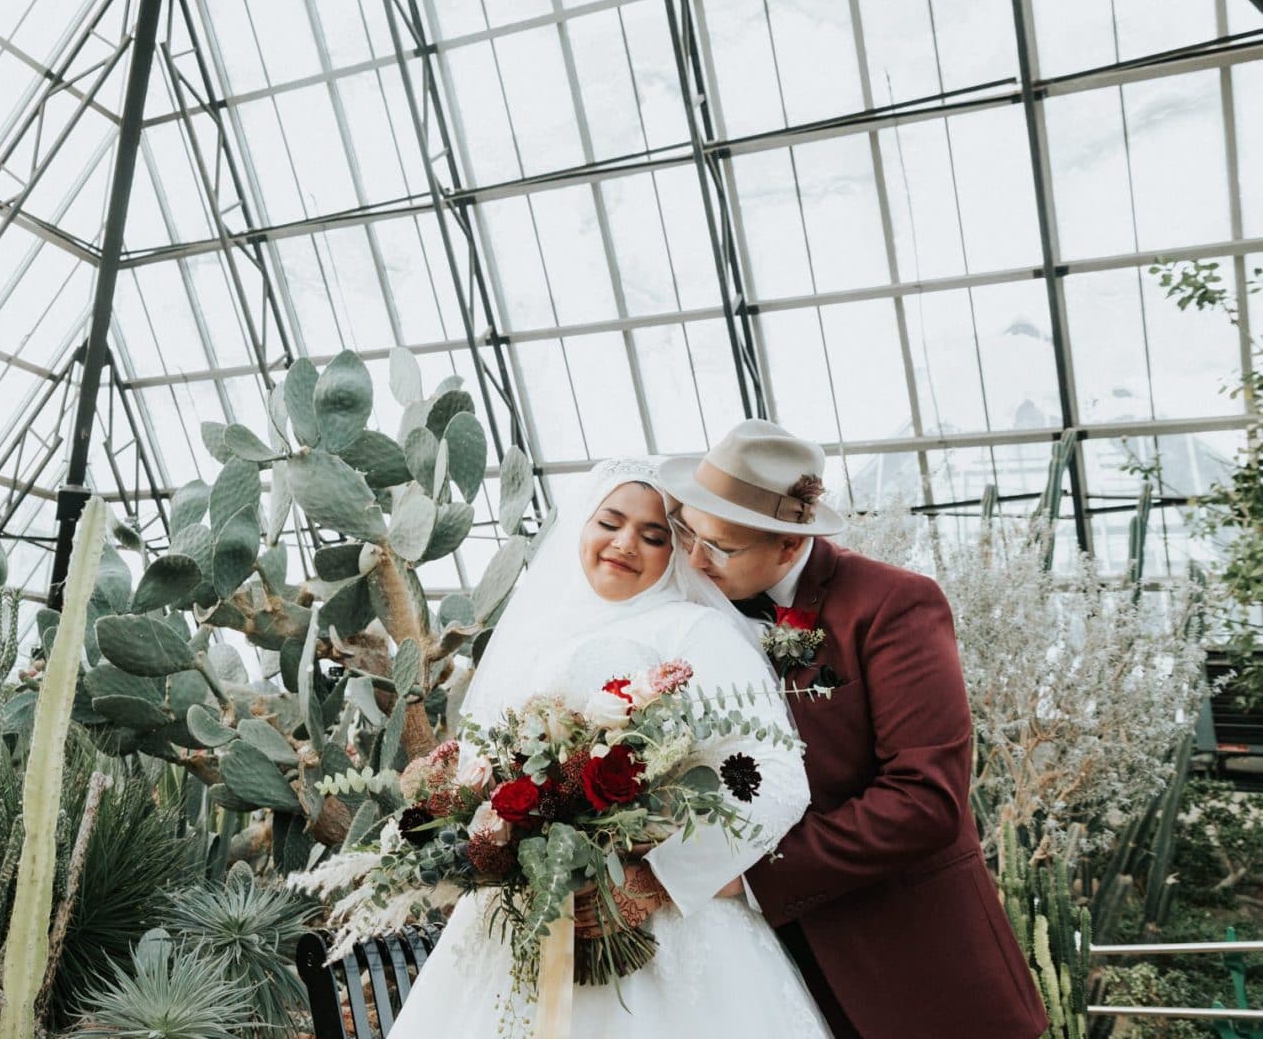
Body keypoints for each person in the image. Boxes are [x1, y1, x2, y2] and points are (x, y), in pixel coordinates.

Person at [392, 459, 831, 1039]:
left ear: (680, 551)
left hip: (662, 937)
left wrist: (656, 880)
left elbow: (778, 779)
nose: (625, 544)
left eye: (654, 536)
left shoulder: (694, 632)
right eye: (610, 522)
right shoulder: (538, 640)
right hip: (530, 924)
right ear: (582, 524)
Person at [662, 422, 1046, 1039]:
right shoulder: (686, 613)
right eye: (688, 532)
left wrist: (756, 874)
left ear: (789, 546)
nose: (694, 559)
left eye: (721, 546)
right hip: (774, 987)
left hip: (916, 971)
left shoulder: (894, 605)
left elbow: (925, 800)